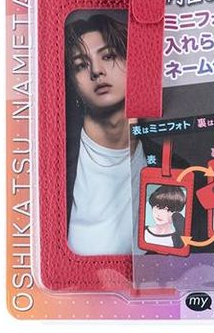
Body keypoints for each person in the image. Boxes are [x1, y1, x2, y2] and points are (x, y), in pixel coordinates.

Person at [64, 13, 146, 256]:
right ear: (72, 82)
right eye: (81, 65)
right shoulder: (53, 163)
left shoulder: (171, 161)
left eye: (108, 56)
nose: (96, 71)